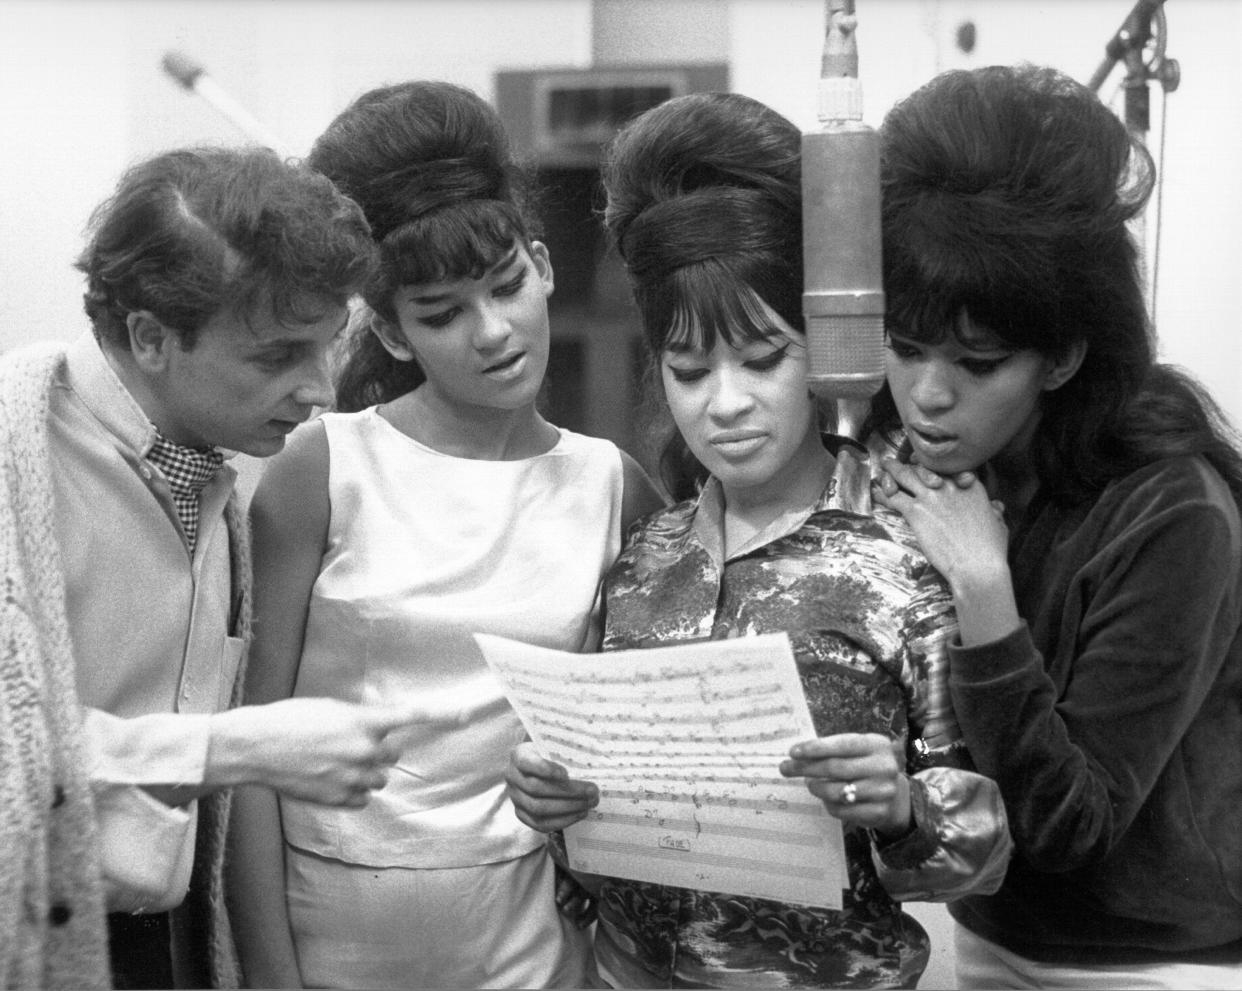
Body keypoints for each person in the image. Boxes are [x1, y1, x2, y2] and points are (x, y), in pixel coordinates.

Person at [504, 90, 1013, 990]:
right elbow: (601, 845)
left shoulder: (901, 557)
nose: (725, 402)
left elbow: (988, 852)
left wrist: (900, 807)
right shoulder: (642, 562)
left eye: (765, 358)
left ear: (820, 348)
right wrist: (557, 807)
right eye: (690, 370)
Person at [225, 80, 663, 990]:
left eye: (507, 286)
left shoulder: (609, 485)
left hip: (528, 931)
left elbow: (636, 744)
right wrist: (269, 973)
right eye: (442, 312)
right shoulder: (323, 467)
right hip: (333, 925)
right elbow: (251, 757)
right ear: (387, 328)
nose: (494, 331)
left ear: (542, 263)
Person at [0, 145, 453, 990]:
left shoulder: (208, 462)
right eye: (277, 356)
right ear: (150, 336)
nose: (320, 387)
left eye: (329, 346)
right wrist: (229, 746)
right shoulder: (14, 449)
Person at [870, 64, 1242, 989]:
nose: (926, 393)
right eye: (906, 347)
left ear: (1065, 355)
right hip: (991, 936)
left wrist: (984, 593)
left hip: (1158, 961)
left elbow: (1069, 826)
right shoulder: (945, 467)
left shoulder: (1174, 508)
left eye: (977, 361)